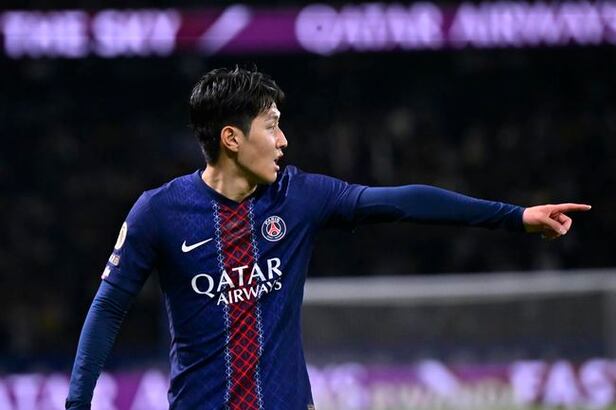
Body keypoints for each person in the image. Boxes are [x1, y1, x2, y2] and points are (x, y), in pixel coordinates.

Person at [65, 67, 591, 410]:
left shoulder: (299, 197)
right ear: (231, 138)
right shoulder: (159, 212)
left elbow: (402, 201)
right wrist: (77, 404)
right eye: (271, 126)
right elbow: (108, 307)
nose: (283, 140)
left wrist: (514, 216)